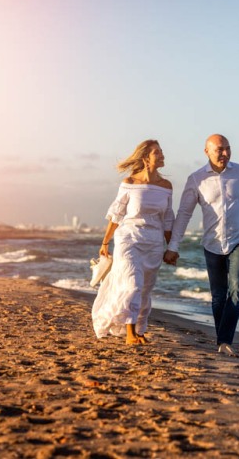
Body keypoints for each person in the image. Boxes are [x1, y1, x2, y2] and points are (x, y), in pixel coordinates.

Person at [164, 134, 239, 356]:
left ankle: (225, 341)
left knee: (237, 287)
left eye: (227, 149)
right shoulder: (196, 179)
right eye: (219, 150)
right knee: (218, 295)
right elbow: (184, 214)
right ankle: (221, 341)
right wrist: (173, 246)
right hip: (212, 243)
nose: (224, 153)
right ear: (206, 151)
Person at [92, 139, 174, 345]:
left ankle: (139, 330)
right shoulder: (129, 183)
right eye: (157, 152)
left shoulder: (166, 186)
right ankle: (129, 333)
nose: (162, 155)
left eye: (162, 151)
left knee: (145, 288)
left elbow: (167, 219)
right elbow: (116, 214)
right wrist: (105, 243)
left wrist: (172, 247)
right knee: (132, 284)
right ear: (146, 158)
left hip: (153, 242)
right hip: (129, 239)